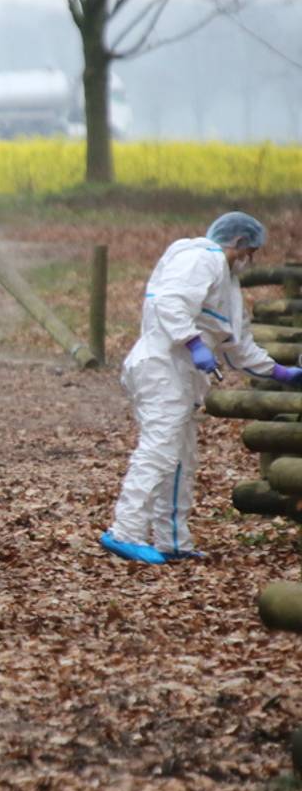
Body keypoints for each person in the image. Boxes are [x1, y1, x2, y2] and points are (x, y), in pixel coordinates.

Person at [101, 211, 302, 565]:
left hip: (181, 375)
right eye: (250, 251)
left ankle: (172, 540)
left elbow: (238, 346)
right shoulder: (199, 257)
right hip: (161, 366)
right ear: (238, 241)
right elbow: (169, 302)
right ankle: (125, 531)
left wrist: (280, 372)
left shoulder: (226, 282)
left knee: (182, 458)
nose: (250, 259)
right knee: (159, 450)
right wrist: (193, 342)